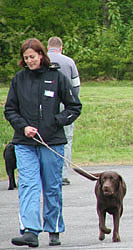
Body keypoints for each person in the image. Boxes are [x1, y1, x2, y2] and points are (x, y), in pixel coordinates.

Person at [5, 38, 82, 247]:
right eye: (26, 57)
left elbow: (74, 107)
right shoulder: (19, 80)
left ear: (41, 55)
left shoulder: (56, 77)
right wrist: (23, 127)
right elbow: (10, 110)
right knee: (29, 185)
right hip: (24, 143)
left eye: (32, 56)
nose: (29, 61)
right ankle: (30, 230)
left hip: (52, 142)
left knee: (52, 187)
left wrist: (56, 122)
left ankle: (54, 228)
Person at [47, 36, 81, 186]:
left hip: (45, 106)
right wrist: (72, 101)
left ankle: (46, 173)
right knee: (67, 138)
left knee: (45, 139)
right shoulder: (69, 61)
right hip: (64, 105)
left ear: (48, 48)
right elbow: (76, 86)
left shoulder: (41, 60)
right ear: (61, 48)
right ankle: (63, 174)